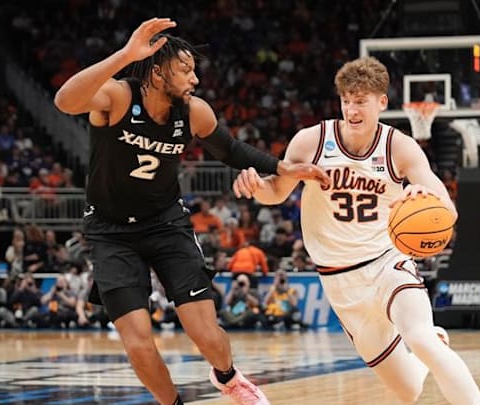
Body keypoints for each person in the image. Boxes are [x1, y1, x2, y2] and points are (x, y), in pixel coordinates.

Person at [53, 17, 329, 405]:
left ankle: (228, 378)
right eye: (185, 69)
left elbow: (231, 150)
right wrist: (126, 55)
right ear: (156, 71)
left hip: (166, 224)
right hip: (109, 231)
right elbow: (65, 101)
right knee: (138, 343)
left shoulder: (194, 112)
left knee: (206, 334)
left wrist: (283, 168)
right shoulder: (117, 97)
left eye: (194, 70)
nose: (194, 78)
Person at [232, 56, 480, 405]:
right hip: (339, 281)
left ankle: (436, 347)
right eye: (346, 100)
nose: (351, 109)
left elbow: (448, 207)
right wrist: (254, 187)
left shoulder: (399, 147)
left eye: (360, 101)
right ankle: (434, 343)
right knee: (408, 390)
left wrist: (423, 194)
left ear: (381, 102)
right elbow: (276, 191)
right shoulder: (311, 141)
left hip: (388, 264)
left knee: (421, 339)